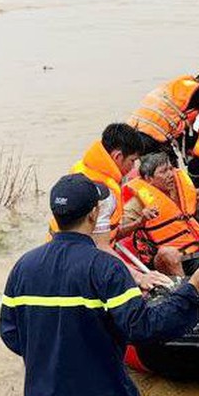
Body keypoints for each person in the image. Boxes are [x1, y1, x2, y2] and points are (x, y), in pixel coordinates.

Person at [0, 173, 199, 396]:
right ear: (94, 214)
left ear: (56, 215)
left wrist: (56, 354)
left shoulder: (23, 267)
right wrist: (191, 290)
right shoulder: (105, 268)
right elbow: (144, 328)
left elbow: (10, 333)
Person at [50, 123, 169, 290]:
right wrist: (139, 277)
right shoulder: (104, 193)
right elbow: (100, 246)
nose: (134, 167)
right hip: (77, 266)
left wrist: (138, 223)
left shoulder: (82, 167)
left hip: (57, 254)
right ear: (118, 156)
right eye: (132, 160)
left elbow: (105, 235)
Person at [127, 73, 199, 156]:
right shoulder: (197, 91)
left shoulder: (175, 85)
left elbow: (178, 124)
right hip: (152, 135)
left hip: (131, 130)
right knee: (171, 169)